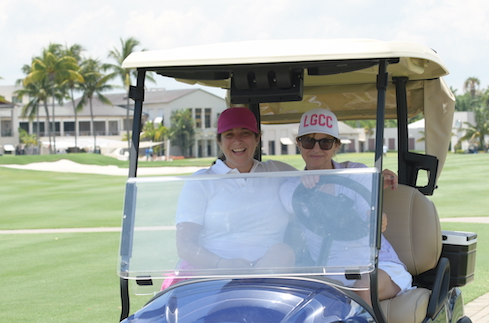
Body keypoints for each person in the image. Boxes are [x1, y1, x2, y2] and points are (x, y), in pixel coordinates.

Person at [285, 107, 413, 301]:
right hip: (325, 269)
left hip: (372, 266)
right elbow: (283, 206)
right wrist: (305, 190)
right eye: (308, 141)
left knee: (361, 288)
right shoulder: (291, 186)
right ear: (299, 144)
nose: (316, 149)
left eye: (325, 142)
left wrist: (376, 221)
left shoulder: (356, 173)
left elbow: (369, 212)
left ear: (336, 145)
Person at [173, 107, 295, 274]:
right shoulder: (201, 181)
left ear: (257, 138)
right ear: (219, 141)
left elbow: (315, 179)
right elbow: (185, 245)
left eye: (245, 133)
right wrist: (221, 264)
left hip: (269, 274)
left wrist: (342, 168)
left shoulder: (278, 171)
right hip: (214, 272)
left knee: (283, 251)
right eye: (229, 134)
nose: (237, 141)